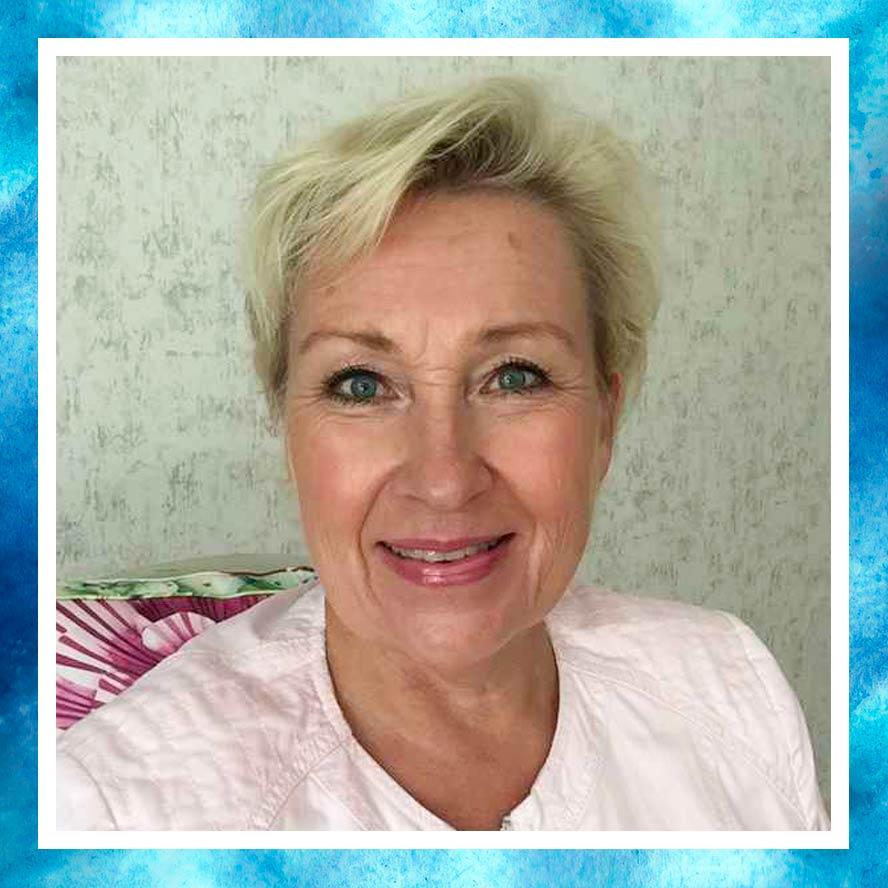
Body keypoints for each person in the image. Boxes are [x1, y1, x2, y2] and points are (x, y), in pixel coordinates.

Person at [57, 76, 828, 831]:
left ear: (604, 422)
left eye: (514, 376)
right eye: (362, 385)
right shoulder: (109, 813)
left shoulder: (731, 689)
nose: (444, 478)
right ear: (286, 432)